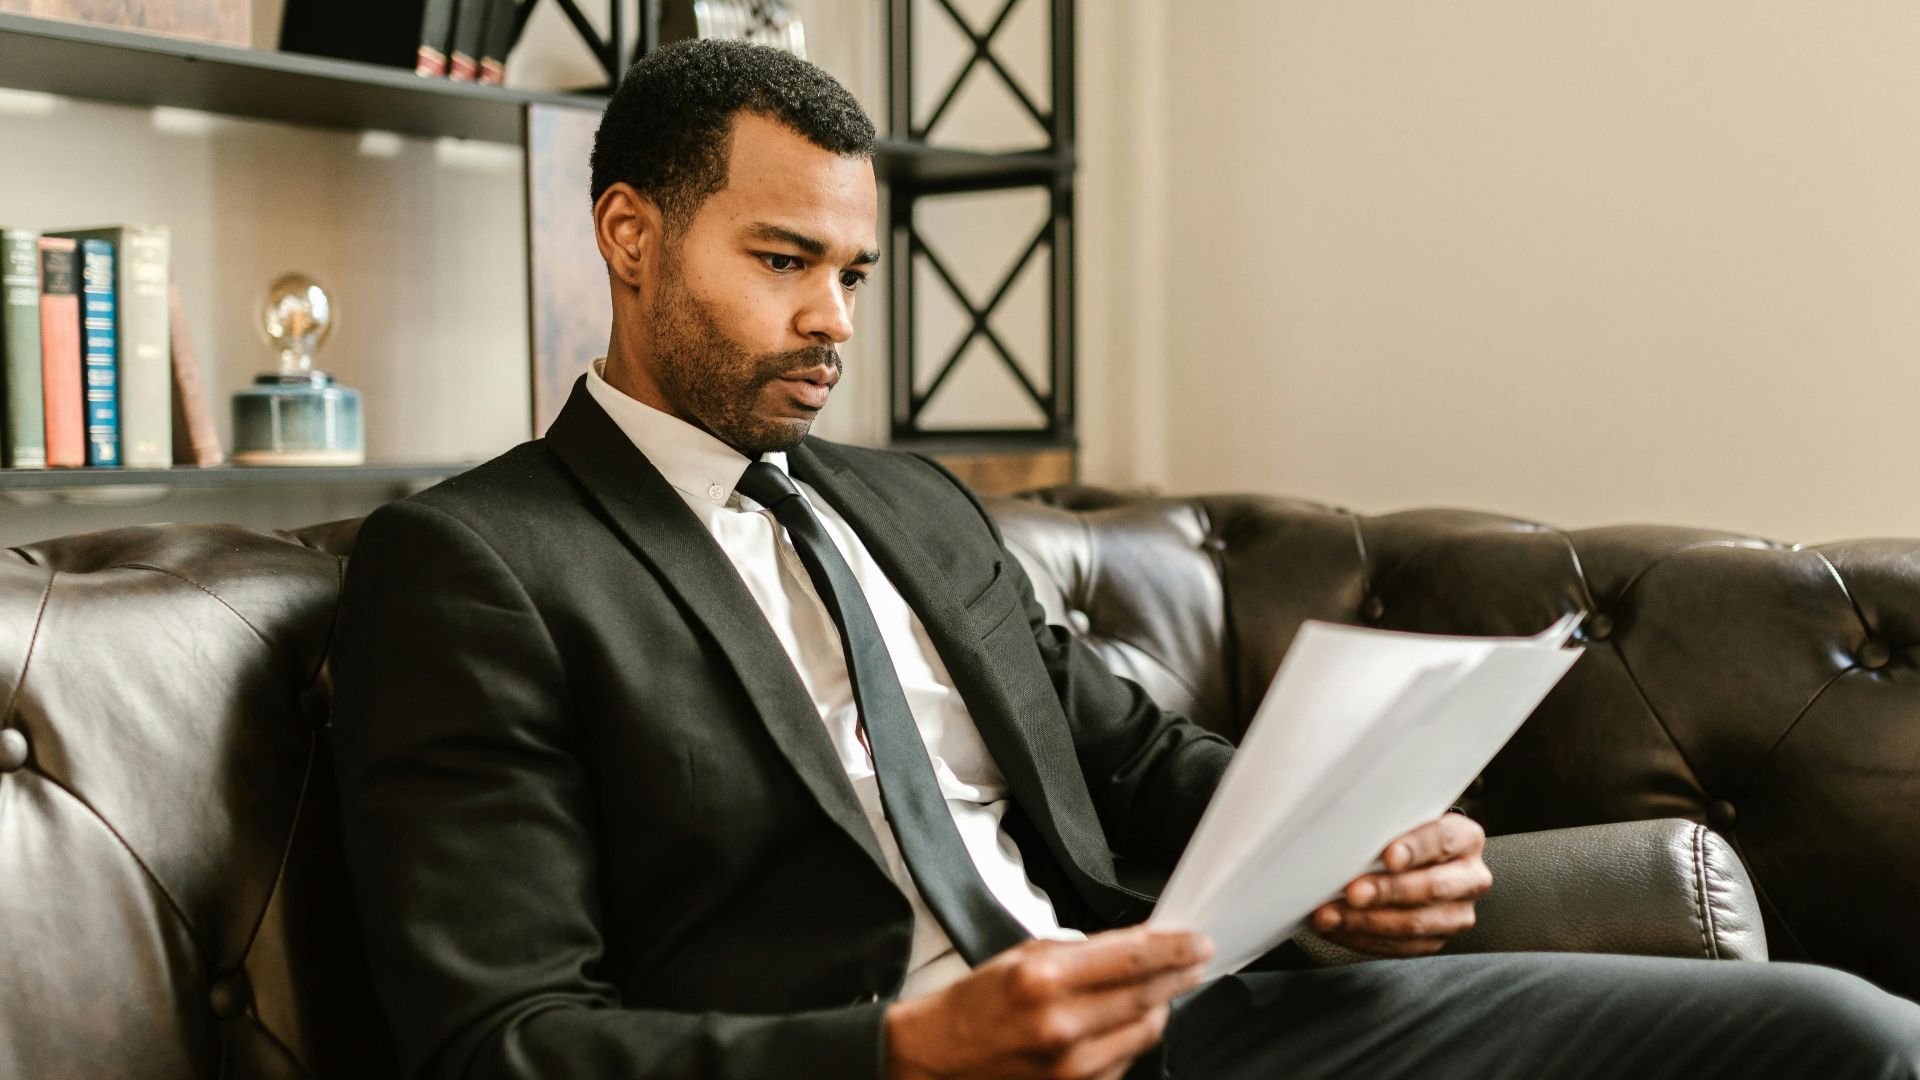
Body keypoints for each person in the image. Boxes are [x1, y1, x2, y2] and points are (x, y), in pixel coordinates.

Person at [330, 39, 1920, 1080]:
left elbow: (1143, 757)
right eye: (782, 261)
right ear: (626, 234)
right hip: (901, 1064)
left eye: (855, 270)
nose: (833, 318)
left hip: (1187, 1019)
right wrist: (907, 1049)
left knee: (1843, 1039)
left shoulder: (911, 502)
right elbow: (502, 1041)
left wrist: (1338, 851)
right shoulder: (476, 563)